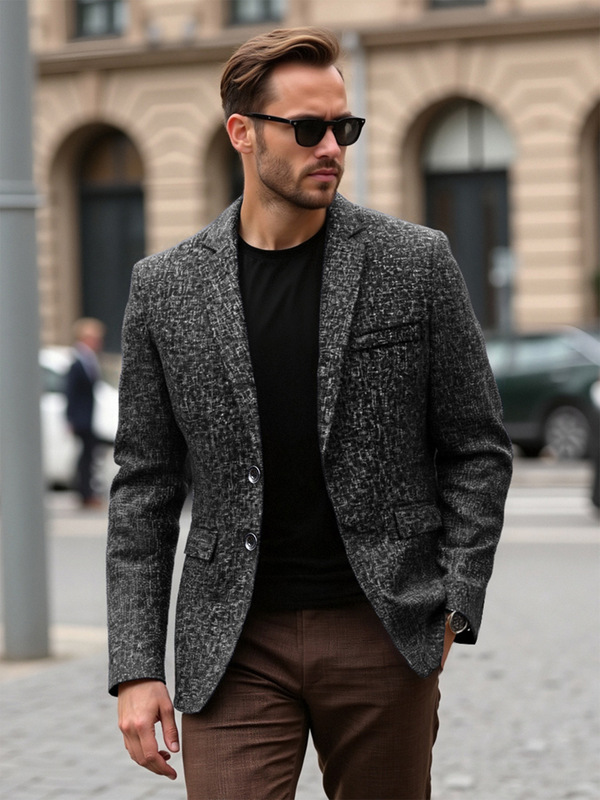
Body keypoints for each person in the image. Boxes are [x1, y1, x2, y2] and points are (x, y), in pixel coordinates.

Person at [107, 27, 513, 800]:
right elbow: (145, 485)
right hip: (232, 641)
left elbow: (477, 446)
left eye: (343, 127)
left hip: (381, 625)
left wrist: (456, 600)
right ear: (242, 132)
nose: (331, 147)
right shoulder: (166, 287)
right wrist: (135, 666)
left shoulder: (415, 263)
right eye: (307, 128)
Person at [65, 317, 106, 508]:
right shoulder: (78, 361)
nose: (99, 342)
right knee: (86, 456)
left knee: (89, 455)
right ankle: (85, 493)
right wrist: (71, 418)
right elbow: (71, 392)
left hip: (89, 417)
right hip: (81, 418)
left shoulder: (89, 359)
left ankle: (87, 492)